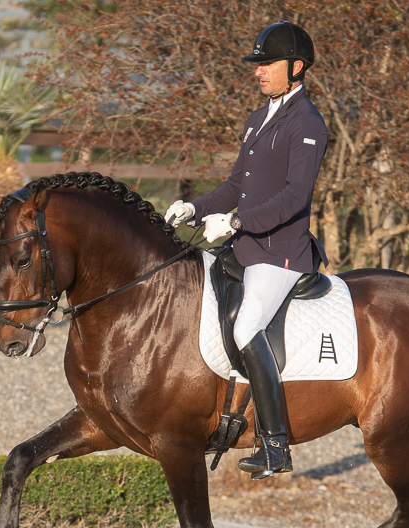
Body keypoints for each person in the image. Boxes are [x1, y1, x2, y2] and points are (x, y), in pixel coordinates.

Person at [165, 21, 329, 480]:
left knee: (246, 326)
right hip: (245, 244)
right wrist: (194, 208)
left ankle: (275, 445)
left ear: (296, 68)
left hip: (280, 252)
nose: (259, 72)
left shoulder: (308, 124)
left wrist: (236, 221)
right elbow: (238, 184)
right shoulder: (258, 119)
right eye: (258, 64)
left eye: (267, 64)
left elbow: (295, 196)